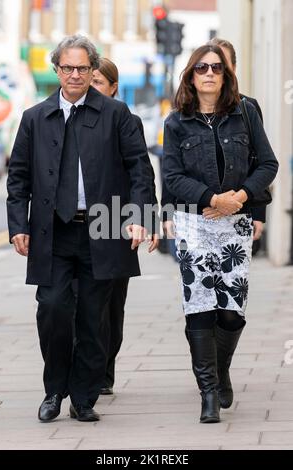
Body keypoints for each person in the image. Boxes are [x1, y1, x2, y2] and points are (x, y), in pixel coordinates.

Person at [7, 35, 155, 423]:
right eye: (68, 68)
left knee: (94, 318)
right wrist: (16, 226)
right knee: (53, 309)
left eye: (83, 68)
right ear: (57, 70)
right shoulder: (34, 118)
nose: (75, 74)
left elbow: (141, 168)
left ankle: (84, 397)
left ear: (93, 71)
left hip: (103, 229)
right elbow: (18, 177)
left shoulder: (116, 114)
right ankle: (54, 390)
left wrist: (141, 217)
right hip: (53, 233)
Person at [162, 44, 278, 423]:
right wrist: (212, 198)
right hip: (195, 223)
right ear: (190, 77)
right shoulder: (176, 121)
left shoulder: (244, 114)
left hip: (235, 224)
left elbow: (268, 164)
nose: (209, 73)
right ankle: (208, 392)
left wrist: (240, 198)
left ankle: (221, 367)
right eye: (201, 68)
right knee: (199, 307)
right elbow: (172, 176)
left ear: (226, 76)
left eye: (216, 68)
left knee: (231, 312)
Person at [90, 57, 159, 395]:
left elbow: (141, 172)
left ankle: (104, 369)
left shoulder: (125, 120)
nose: (92, 90)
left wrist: (145, 219)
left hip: (114, 224)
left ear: (113, 87)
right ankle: (83, 372)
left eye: (99, 83)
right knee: (76, 303)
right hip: (75, 228)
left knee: (111, 306)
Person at [207, 38, 266, 254]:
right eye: (210, 64)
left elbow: (259, 162)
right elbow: (173, 170)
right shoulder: (185, 113)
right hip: (199, 214)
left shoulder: (248, 108)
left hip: (240, 212)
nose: (215, 70)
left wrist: (258, 214)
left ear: (234, 68)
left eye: (222, 63)